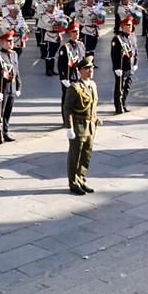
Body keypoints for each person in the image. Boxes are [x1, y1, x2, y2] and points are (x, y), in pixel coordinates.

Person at [63, 56, 100, 195]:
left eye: (91, 68)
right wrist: (69, 127)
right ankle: (73, 183)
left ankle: (81, 180)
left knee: (86, 155)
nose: (90, 71)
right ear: (80, 71)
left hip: (90, 126)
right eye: (87, 68)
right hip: (78, 126)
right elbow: (67, 108)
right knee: (75, 156)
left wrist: (95, 125)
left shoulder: (93, 85)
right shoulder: (75, 88)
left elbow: (94, 107)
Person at [0, 31, 21, 144]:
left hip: (12, 86)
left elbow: (16, 71)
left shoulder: (14, 54)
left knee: (8, 111)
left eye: (12, 41)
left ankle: (5, 131)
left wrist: (18, 86)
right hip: (2, 88)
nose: (11, 43)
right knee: (0, 112)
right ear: (3, 42)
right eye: (8, 41)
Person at [56, 22, 86, 123]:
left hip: (79, 76)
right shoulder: (65, 47)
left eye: (77, 31)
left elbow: (83, 61)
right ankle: (66, 119)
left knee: (78, 98)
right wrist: (63, 78)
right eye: (73, 32)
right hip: (69, 77)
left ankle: (76, 117)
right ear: (69, 33)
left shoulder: (81, 45)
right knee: (67, 99)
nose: (76, 34)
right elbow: (61, 65)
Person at [111, 16, 138, 114]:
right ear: (122, 26)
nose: (129, 27)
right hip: (121, 67)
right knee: (119, 88)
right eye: (127, 26)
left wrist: (136, 63)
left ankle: (124, 103)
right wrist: (116, 68)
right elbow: (114, 55)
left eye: (130, 25)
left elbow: (135, 51)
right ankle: (118, 106)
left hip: (130, 66)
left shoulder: (133, 36)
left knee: (127, 87)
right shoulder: (118, 39)